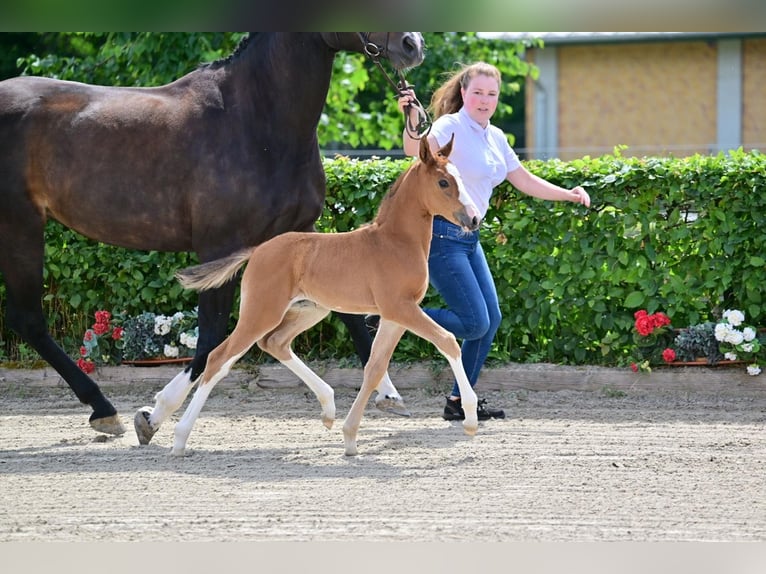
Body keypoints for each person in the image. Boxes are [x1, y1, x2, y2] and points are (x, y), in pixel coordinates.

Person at [397, 61, 591, 421]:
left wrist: (569, 194)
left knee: (491, 319)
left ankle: (459, 401)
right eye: (478, 93)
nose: (485, 101)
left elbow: (524, 179)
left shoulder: (495, 136)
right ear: (464, 94)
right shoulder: (450, 125)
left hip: (470, 238)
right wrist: (410, 116)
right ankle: (396, 313)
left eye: (492, 94)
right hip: (443, 236)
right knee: (474, 323)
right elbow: (415, 152)